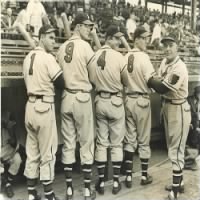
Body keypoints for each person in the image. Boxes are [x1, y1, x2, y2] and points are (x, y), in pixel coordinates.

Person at [57, 12, 99, 200]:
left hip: (66, 98)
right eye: (87, 26)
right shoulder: (85, 46)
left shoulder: (61, 47)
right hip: (82, 97)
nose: (90, 30)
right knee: (86, 143)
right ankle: (88, 190)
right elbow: (94, 75)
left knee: (67, 145)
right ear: (77, 27)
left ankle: (68, 189)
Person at [23, 24, 65, 200]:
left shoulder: (28, 57)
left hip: (30, 107)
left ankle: (32, 194)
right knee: (47, 153)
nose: (54, 41)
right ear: (41, 37)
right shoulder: (47, 58)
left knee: (32, 152)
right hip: (43, 106)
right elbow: (61, 83)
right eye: (50, 37)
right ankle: (49, 195)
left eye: (55, 38)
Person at [147, 34, 191, 200]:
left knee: (176, 150)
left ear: (177, 47)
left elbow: (162, 87)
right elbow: (158, 83)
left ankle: (174, 192)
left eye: (170, 45)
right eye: (165, 45)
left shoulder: (180, 67)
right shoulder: (165, 62)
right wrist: (154, 81)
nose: (167, 48)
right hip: (167, 107)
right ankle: (179, 183)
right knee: (172, 147)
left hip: (178, 108)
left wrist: (149, 79)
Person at [88, 25, 128, 195]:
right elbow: (126, 81)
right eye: (116, 38)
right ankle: (116, 182)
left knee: (102, 143)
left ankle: (102, 183)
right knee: (116, 144)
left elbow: (90, 79)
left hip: (99, 100)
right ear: (109, 38)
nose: (119, 41)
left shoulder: (93, 55)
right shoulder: (119, 56)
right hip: (116, 101)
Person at [123, 26, 155, 188]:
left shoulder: (126, 56)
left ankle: (128, 177)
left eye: (147, 37)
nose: (146, 41)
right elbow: (151, 81)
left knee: (130, 139)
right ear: (135, 40)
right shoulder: (143, 57)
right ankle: (143, 176)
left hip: (128, 99)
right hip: (141, 100)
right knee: (143, 140)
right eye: (143, 38)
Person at [1, 111, 22, 198]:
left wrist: (10, 129)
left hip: (8, 152)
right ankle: (7, 185)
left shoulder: (10, 129)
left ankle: (7, 182)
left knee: (18, 159)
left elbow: (15, 144)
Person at [187, 86, 200, 151]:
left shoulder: (199, 101)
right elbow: (187, 112)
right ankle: (193, 144)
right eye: (199, 94)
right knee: (196, 125)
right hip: (189, 119)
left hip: (196, 119)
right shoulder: (189, 99)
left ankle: (196, 144)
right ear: (196, 93)